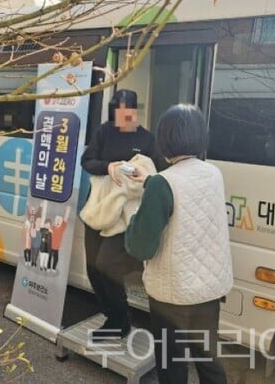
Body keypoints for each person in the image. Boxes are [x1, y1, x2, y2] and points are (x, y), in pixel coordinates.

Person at [125, 104, 233, 384]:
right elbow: (185, 196)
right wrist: (150, 181)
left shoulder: (164, 183)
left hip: (174, 295)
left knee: (172, 367)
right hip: (209, 290)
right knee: (208, 361)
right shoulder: (212, 173)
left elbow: (140, 247)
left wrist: (132, 215)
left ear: (165, 140)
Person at [80, 89, 156, 338]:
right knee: (92, 266)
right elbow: (87, 161)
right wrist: (108, 166)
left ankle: (120, 320)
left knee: (106, 265)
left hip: (126, 214)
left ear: (134, 112)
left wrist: (137, 175)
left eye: (126, 114)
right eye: (117, 114)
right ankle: (111, 314)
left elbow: (156, 175)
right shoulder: (104, 131)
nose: (121, 120)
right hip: (100, 208)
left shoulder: (146, 139)